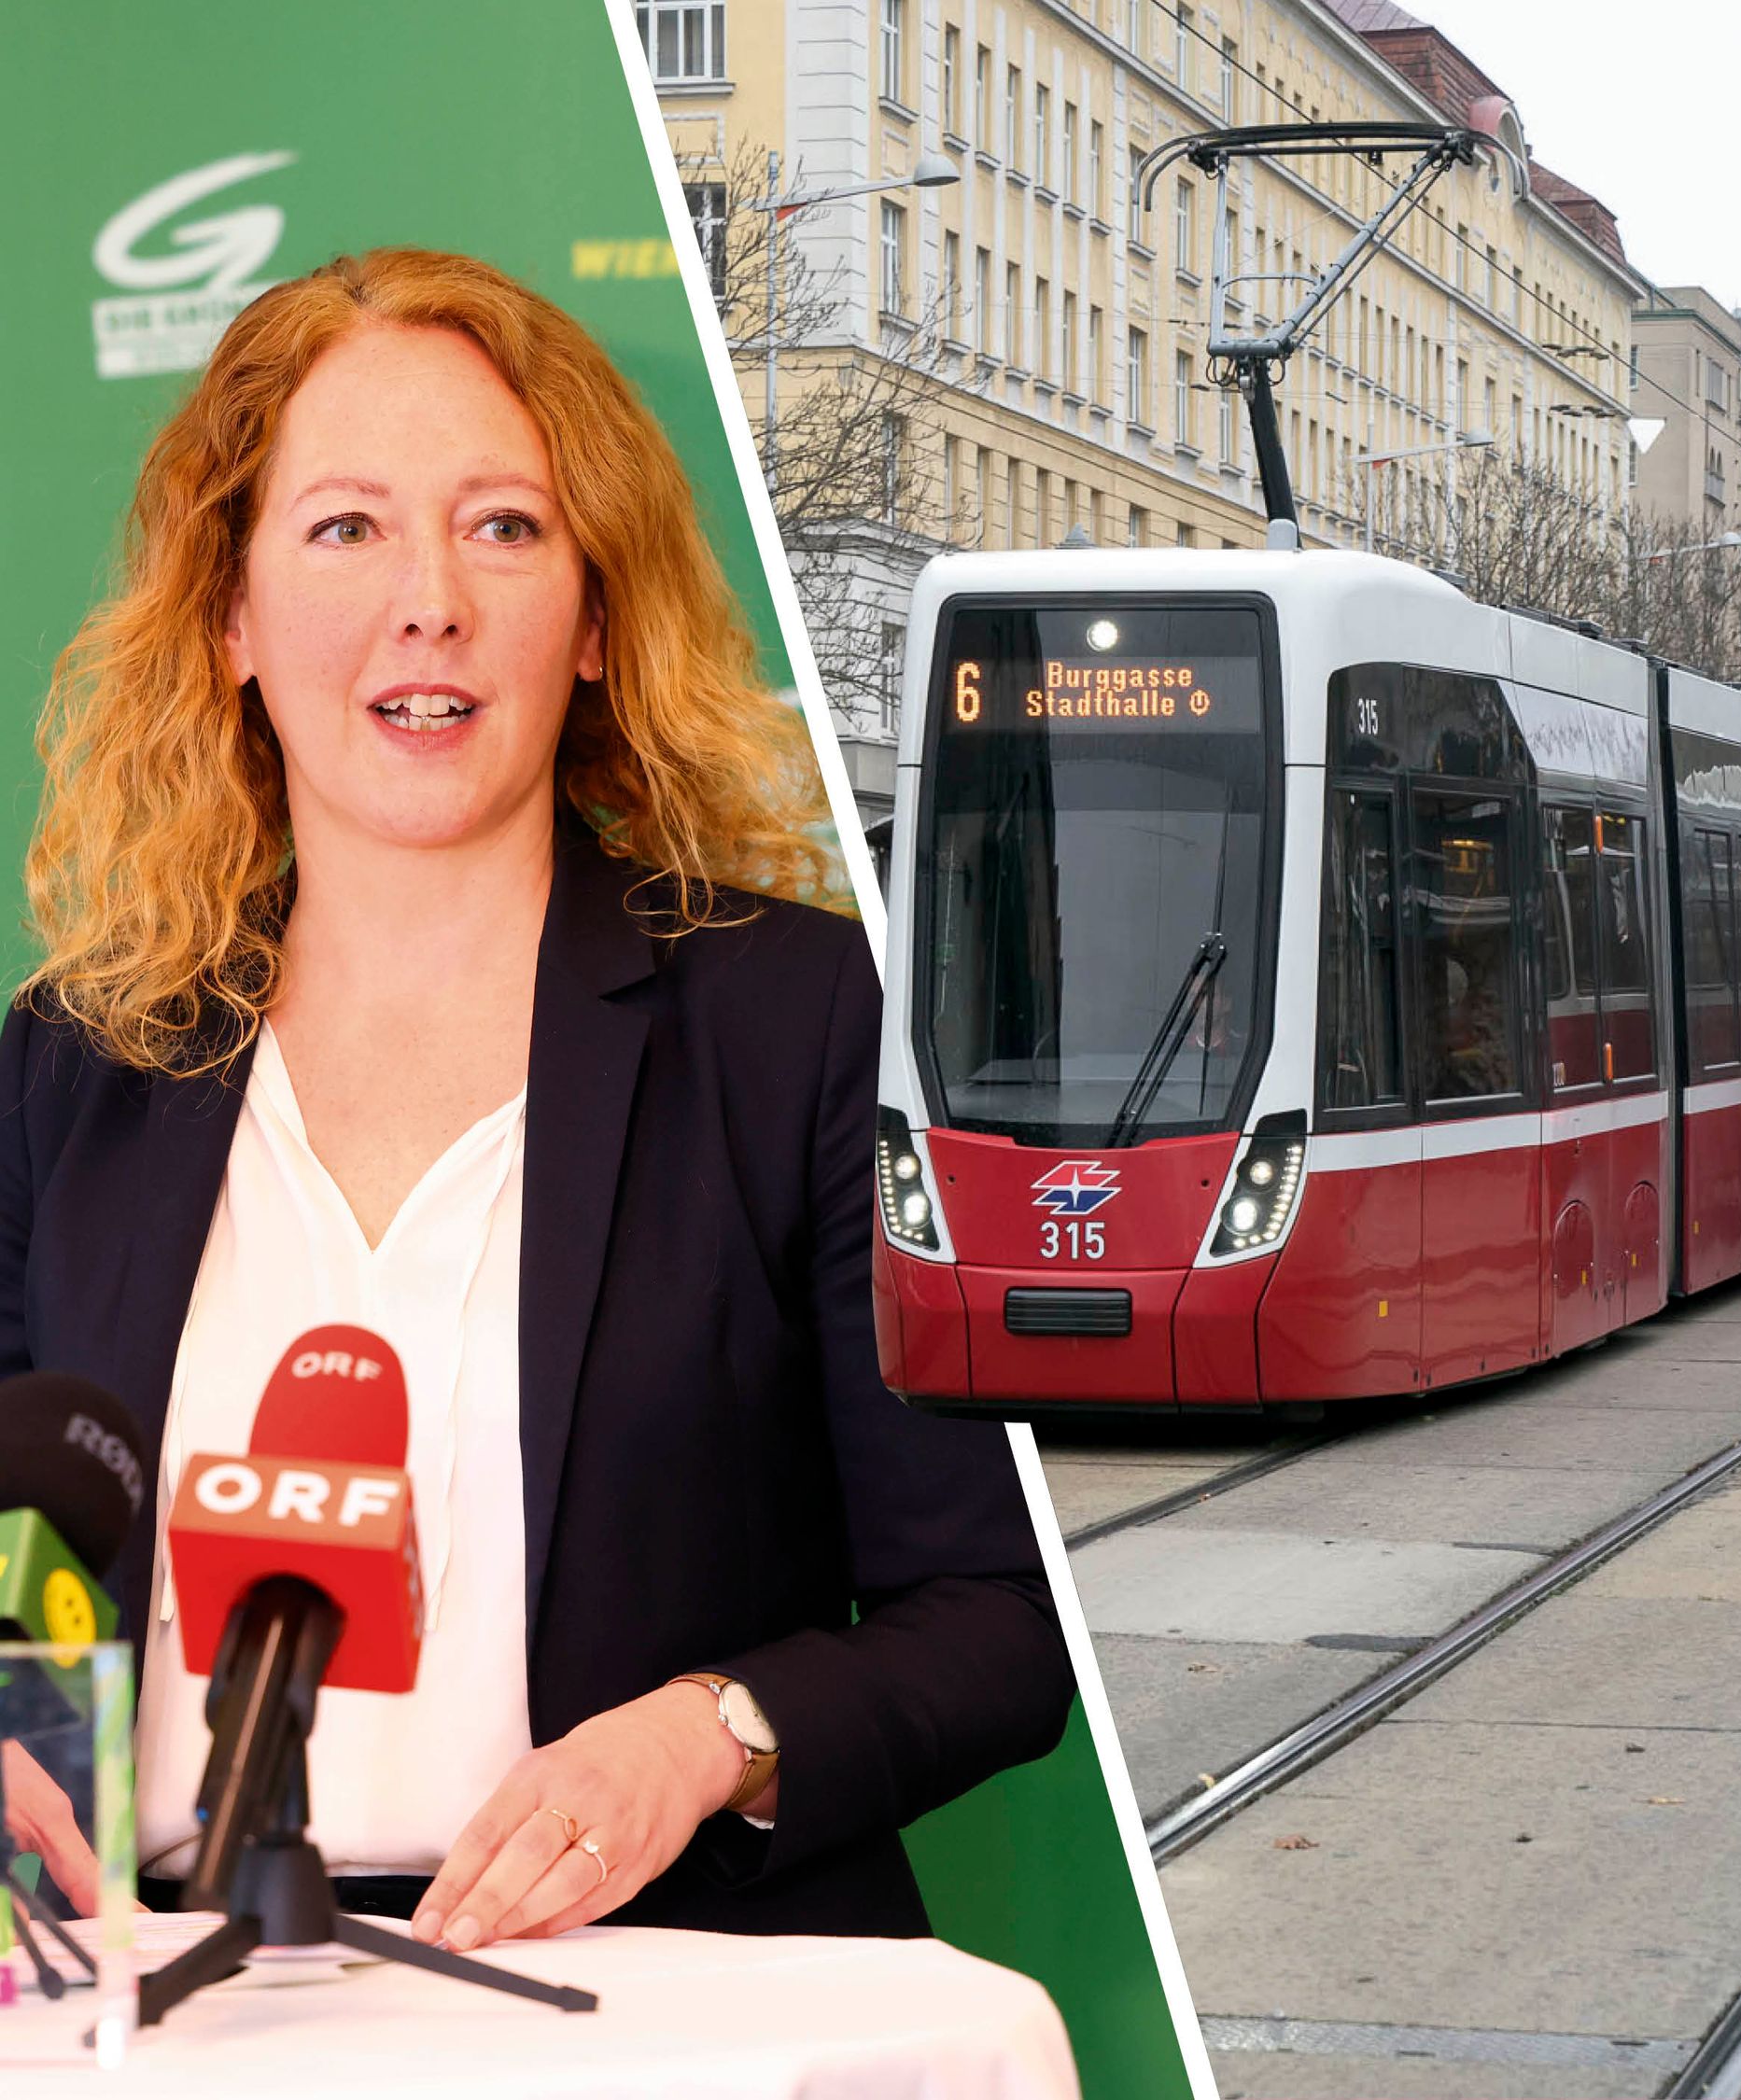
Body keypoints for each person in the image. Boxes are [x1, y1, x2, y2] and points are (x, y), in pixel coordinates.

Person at [6, 250, 1071, 1947]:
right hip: (158, 2002)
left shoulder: (799, 1019)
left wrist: (711, 1738)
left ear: (591, 618)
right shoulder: (75, 1059)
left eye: (503, 526)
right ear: (230, 619)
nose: (428, 597)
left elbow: (1002, 1616)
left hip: (648, 1999)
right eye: (346, 528)